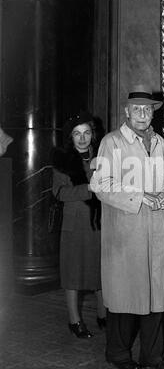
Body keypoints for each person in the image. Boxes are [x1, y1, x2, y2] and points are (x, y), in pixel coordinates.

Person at [89, 85, 164, 369]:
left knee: (155, 296)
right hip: (125, 230)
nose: (142, 114)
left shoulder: (160, 143)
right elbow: (100, 184)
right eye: (136, 109)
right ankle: (117, 353)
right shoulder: (112, 142)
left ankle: (154, 356)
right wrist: (140, 196)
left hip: (155, 226)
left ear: (154, 113)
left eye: (147, 109)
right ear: (126, 112)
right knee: (126, 295)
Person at [51, 112, 106, 338]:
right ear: (70, 137)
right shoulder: (62, 159)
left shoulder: (103, 155)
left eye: (86, 133)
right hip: (74, 224)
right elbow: (59, 192)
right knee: (73, 272)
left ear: (92, 135)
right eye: (77, 134)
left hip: (99, 222)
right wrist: (88, 189)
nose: (82, 138)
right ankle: (74, 320)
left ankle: (104, 316)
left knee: (100, 271)